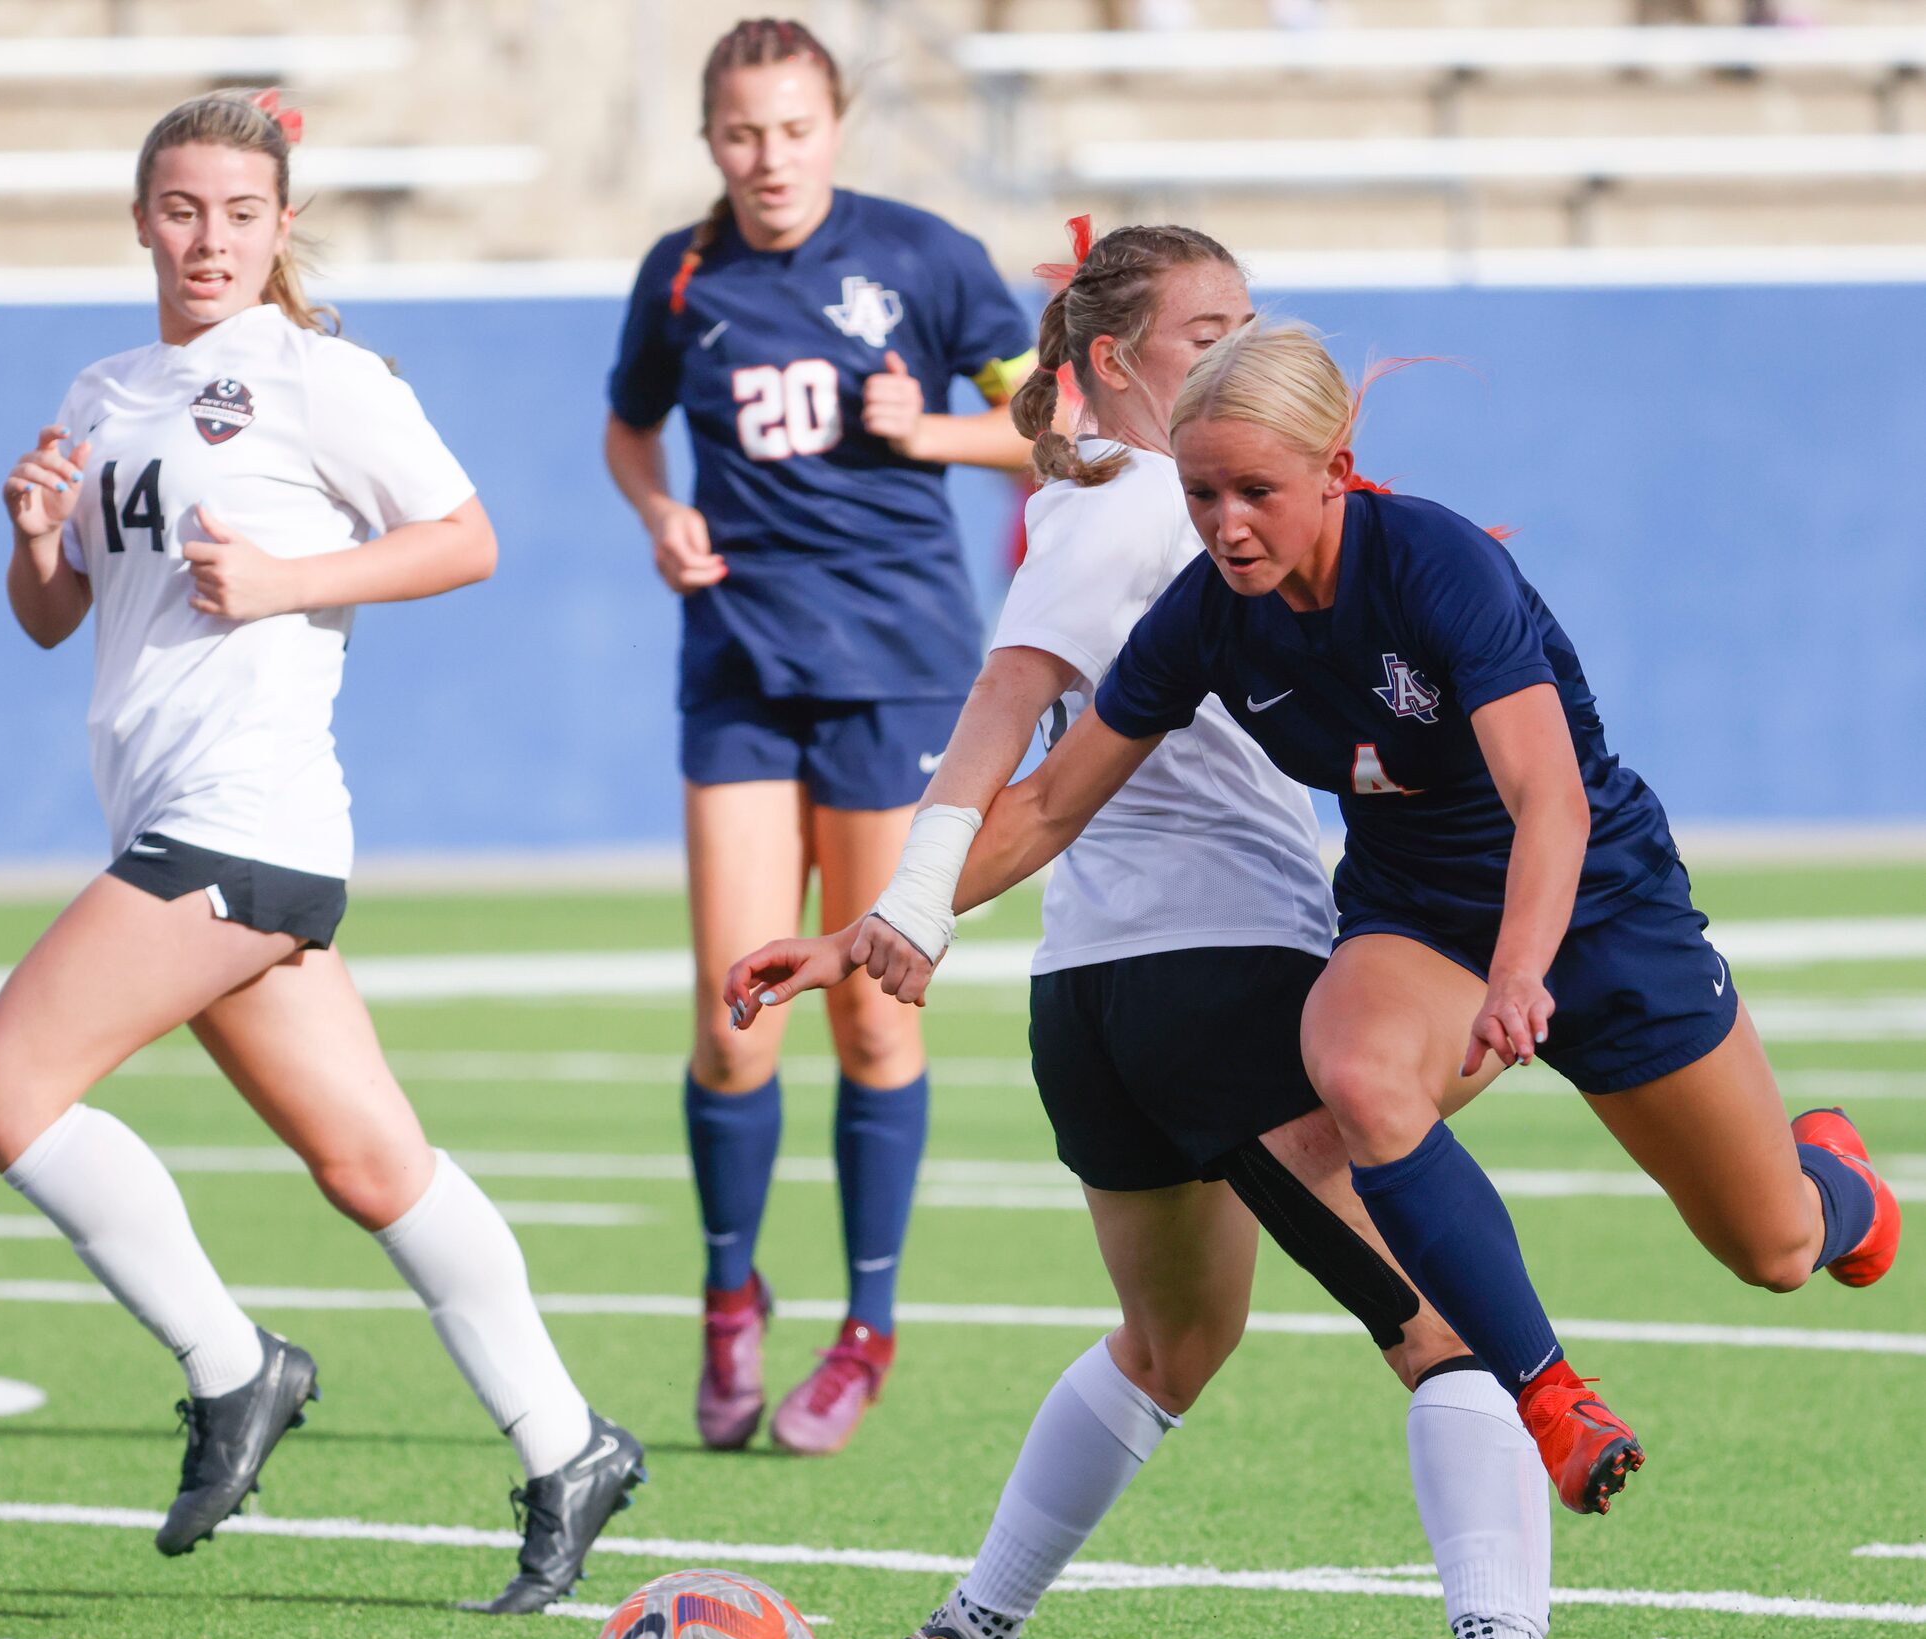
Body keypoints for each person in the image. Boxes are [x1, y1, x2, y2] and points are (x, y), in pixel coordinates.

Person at [725, 223, 1703, 1639]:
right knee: (1439, 1316)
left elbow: (1051, 799)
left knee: (1170, 1344)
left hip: (1091, 1007)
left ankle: (966, 1635)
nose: (1233, 355)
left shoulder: (1119, 505)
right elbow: (1008, 715)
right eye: (1203, 331)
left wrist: (874, 928)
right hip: (1222, 978)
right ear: (1112, 363)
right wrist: (901, 900)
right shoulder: (1134, 520)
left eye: (1248, 324)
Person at [742, 317, 1899, 1524]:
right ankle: (1551, 1393)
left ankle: (1842, 1182)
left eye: (1257, 492)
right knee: (1348, 1072)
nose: (1226, 523)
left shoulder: (1439, 566)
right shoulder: (1206, 614)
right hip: (1421, 917)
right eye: (1200, 494)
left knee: (1774, 1249)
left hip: (1599, 909)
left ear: (1337, 469)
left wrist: (1521, 974)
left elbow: (1547, 798)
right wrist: (876, 927)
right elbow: (1043, 806)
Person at [0, 89, 641, 1614]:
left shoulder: (317, 378)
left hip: (247, 814)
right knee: (374, 1163)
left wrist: (286, 579)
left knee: (4, 1094)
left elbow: (465, 537)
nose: (210, 239)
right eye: (185, 209)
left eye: (241, 214)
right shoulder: (106, 386)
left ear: (280, 229)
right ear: (142, 216)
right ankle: (567, 1441)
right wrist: (30, 536)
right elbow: (53, 616)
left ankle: (231, 1364)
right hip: (166, 813)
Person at [604, 18, 1036, 1455]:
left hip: (901, 678)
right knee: (733, 1020)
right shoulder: (679, 273)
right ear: (709, 137)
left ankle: (865, 1330)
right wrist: (658, 510)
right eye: (740, 133)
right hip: (735, 671)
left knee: (868, 1008)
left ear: (832, 128)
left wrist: (937, 433)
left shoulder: (924, 258)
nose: (766, 157)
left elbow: (1061, 429)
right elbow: (628, 428)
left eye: (790, 130)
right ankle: (730, 1300)